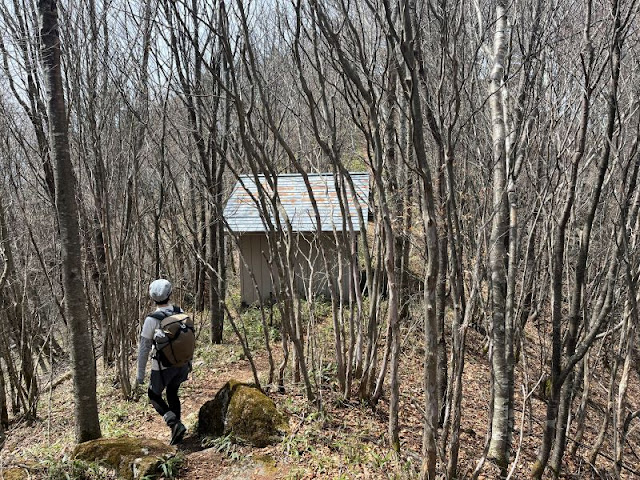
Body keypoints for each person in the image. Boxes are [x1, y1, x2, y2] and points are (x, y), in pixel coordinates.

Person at [135, 279, 189, 445]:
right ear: (170, 294)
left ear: (152, 298)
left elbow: (144, 349)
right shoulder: (180, 312)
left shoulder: (151, 320)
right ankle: (177, 432)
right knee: (172, 392)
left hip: (162, 367)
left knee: (153, 395)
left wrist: (140, 375)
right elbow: (189, 338)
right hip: (182, 364)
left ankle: (174, 424)